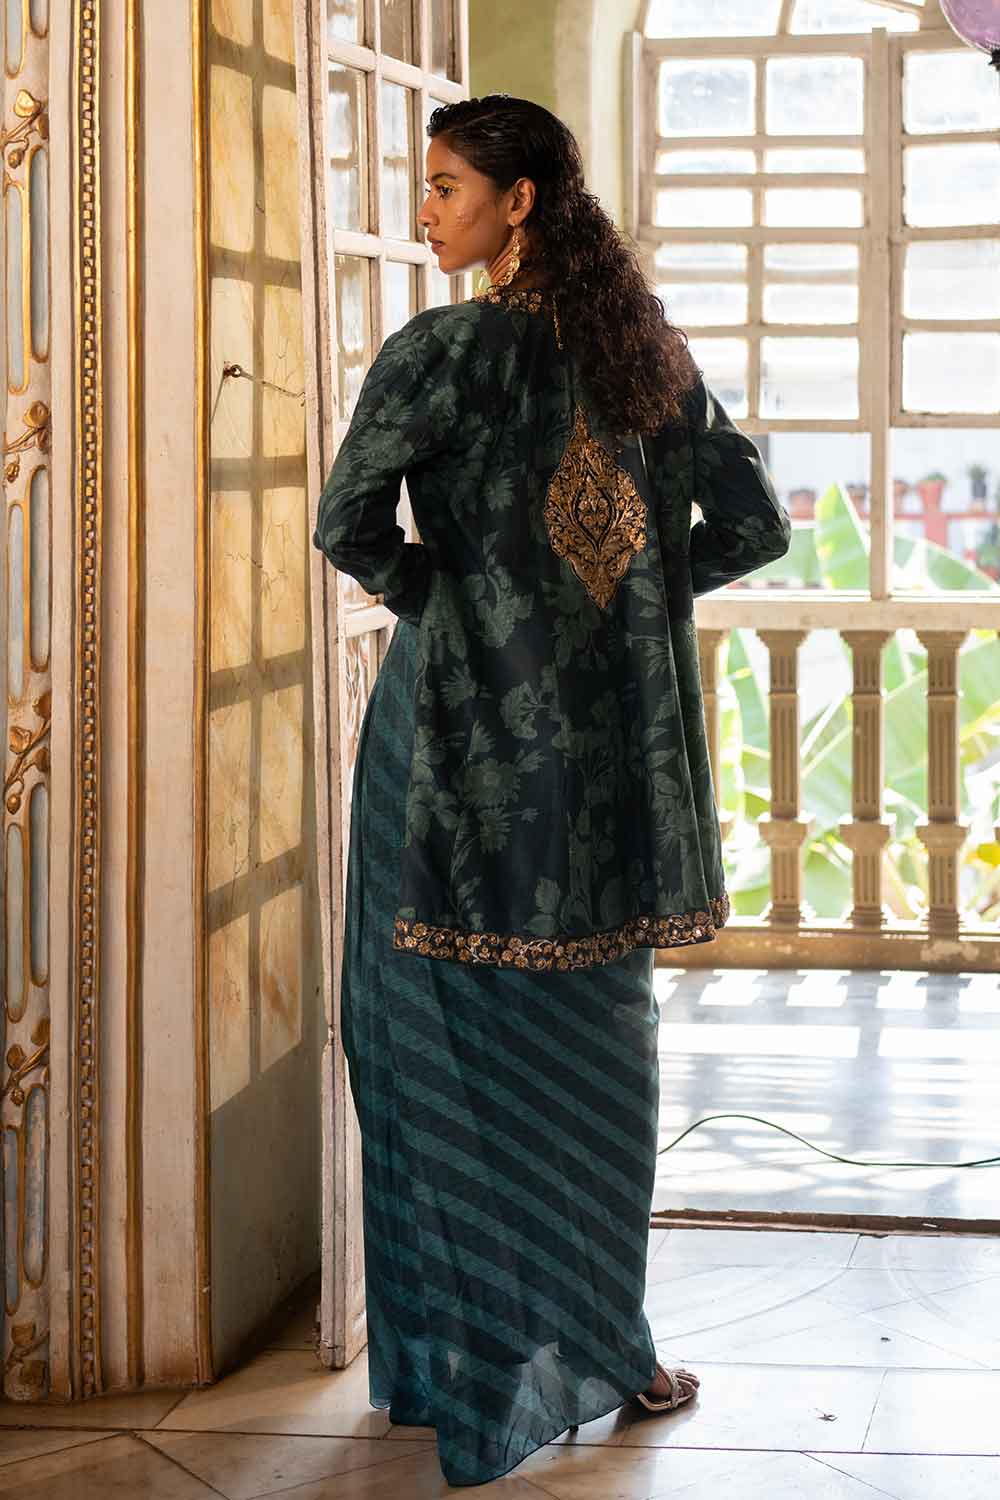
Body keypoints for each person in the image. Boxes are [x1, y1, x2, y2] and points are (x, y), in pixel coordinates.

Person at [312, 94, 790, 1489]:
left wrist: (458, 607)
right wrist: (622, 609)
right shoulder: (644, 354)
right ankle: (614, 1350)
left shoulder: (438, 353)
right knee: (599, 1043)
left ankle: (454, 1368)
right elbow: (753, 524)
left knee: (431, 1032)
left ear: (518, 201)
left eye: (446, 187)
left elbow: (349, 524)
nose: (424, 212)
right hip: (605, 753)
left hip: (449, 736)